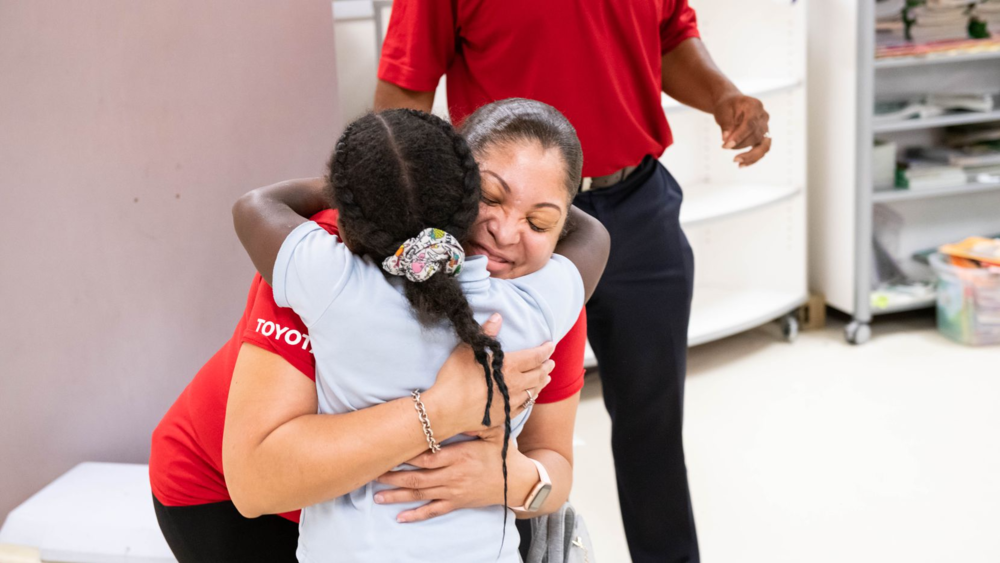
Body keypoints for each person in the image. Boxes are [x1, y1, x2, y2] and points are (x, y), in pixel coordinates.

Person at [374, 2, 773, 562]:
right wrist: (400, 222)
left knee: (653, 425)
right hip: (502, 227)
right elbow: (404, 89)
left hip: (636, 205)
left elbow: (669, 34)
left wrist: (722, 95)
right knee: (484, 429)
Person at [148, 101, 598, 562]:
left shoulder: (540, 293)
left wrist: (513, 480)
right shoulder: (339, 252)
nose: (504, 233)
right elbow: (255, 482)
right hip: (227, 494)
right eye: (489, 195)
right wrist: (444, 409)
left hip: (405, 513)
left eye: (540, 222)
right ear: (449, 179)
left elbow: (552, 459)